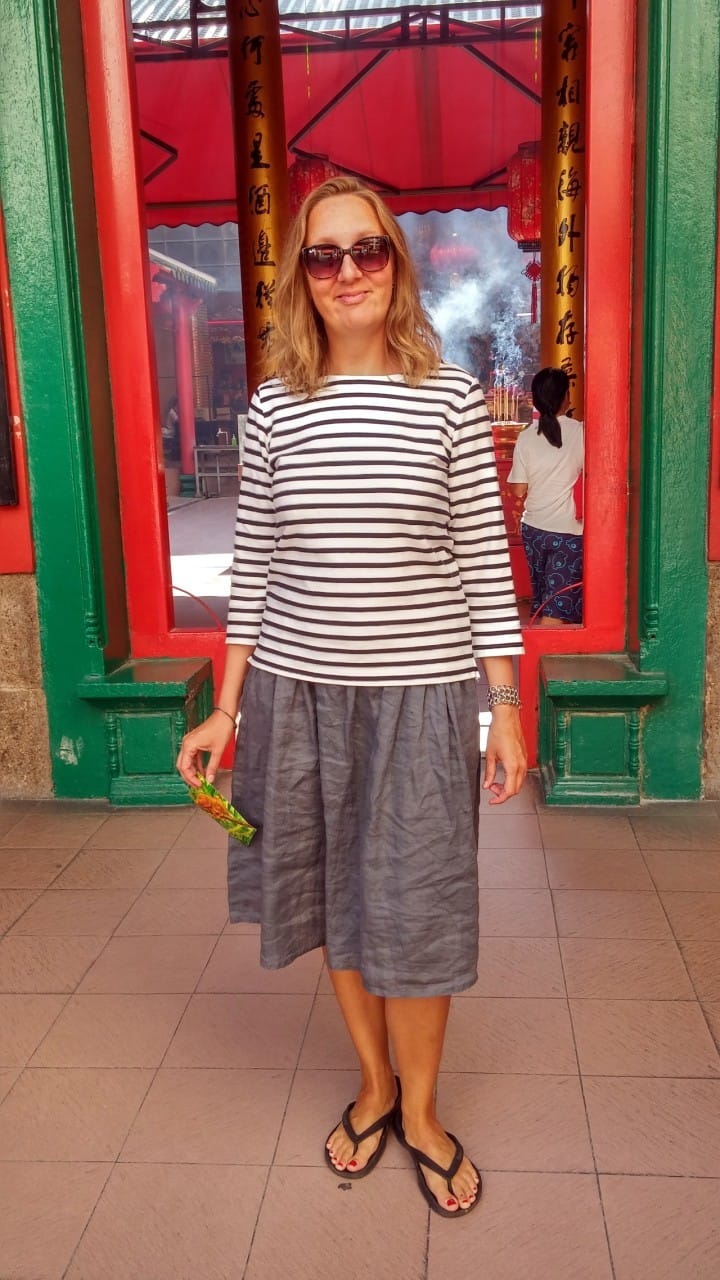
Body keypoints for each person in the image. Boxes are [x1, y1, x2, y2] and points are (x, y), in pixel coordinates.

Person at [176, 176, 526, 1218]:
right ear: (302, 277)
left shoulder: (449, 398)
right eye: (322, 256)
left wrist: (505, 706)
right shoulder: (274, 409)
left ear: (396, 265)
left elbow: (484, 562)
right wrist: (226, 710)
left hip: (420, 701)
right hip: (298, 699)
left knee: (417, 904)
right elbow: (254, 569)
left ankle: (422, 1109)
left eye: (366, 250)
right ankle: (374, 1085)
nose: (346, 272)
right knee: (337, 898)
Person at [508, 367, 584, 625]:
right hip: (568, 532)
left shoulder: (526, 436)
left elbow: (518, 489)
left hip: (534, 530)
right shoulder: (581, 432)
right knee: (555, 611)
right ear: (565, 397)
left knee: (542, 600)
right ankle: (540, 648)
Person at [161, 395, 180, 463]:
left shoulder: (174, 412)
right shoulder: (172, 412)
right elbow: (178, 421)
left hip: (171, 431)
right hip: (170, 431)